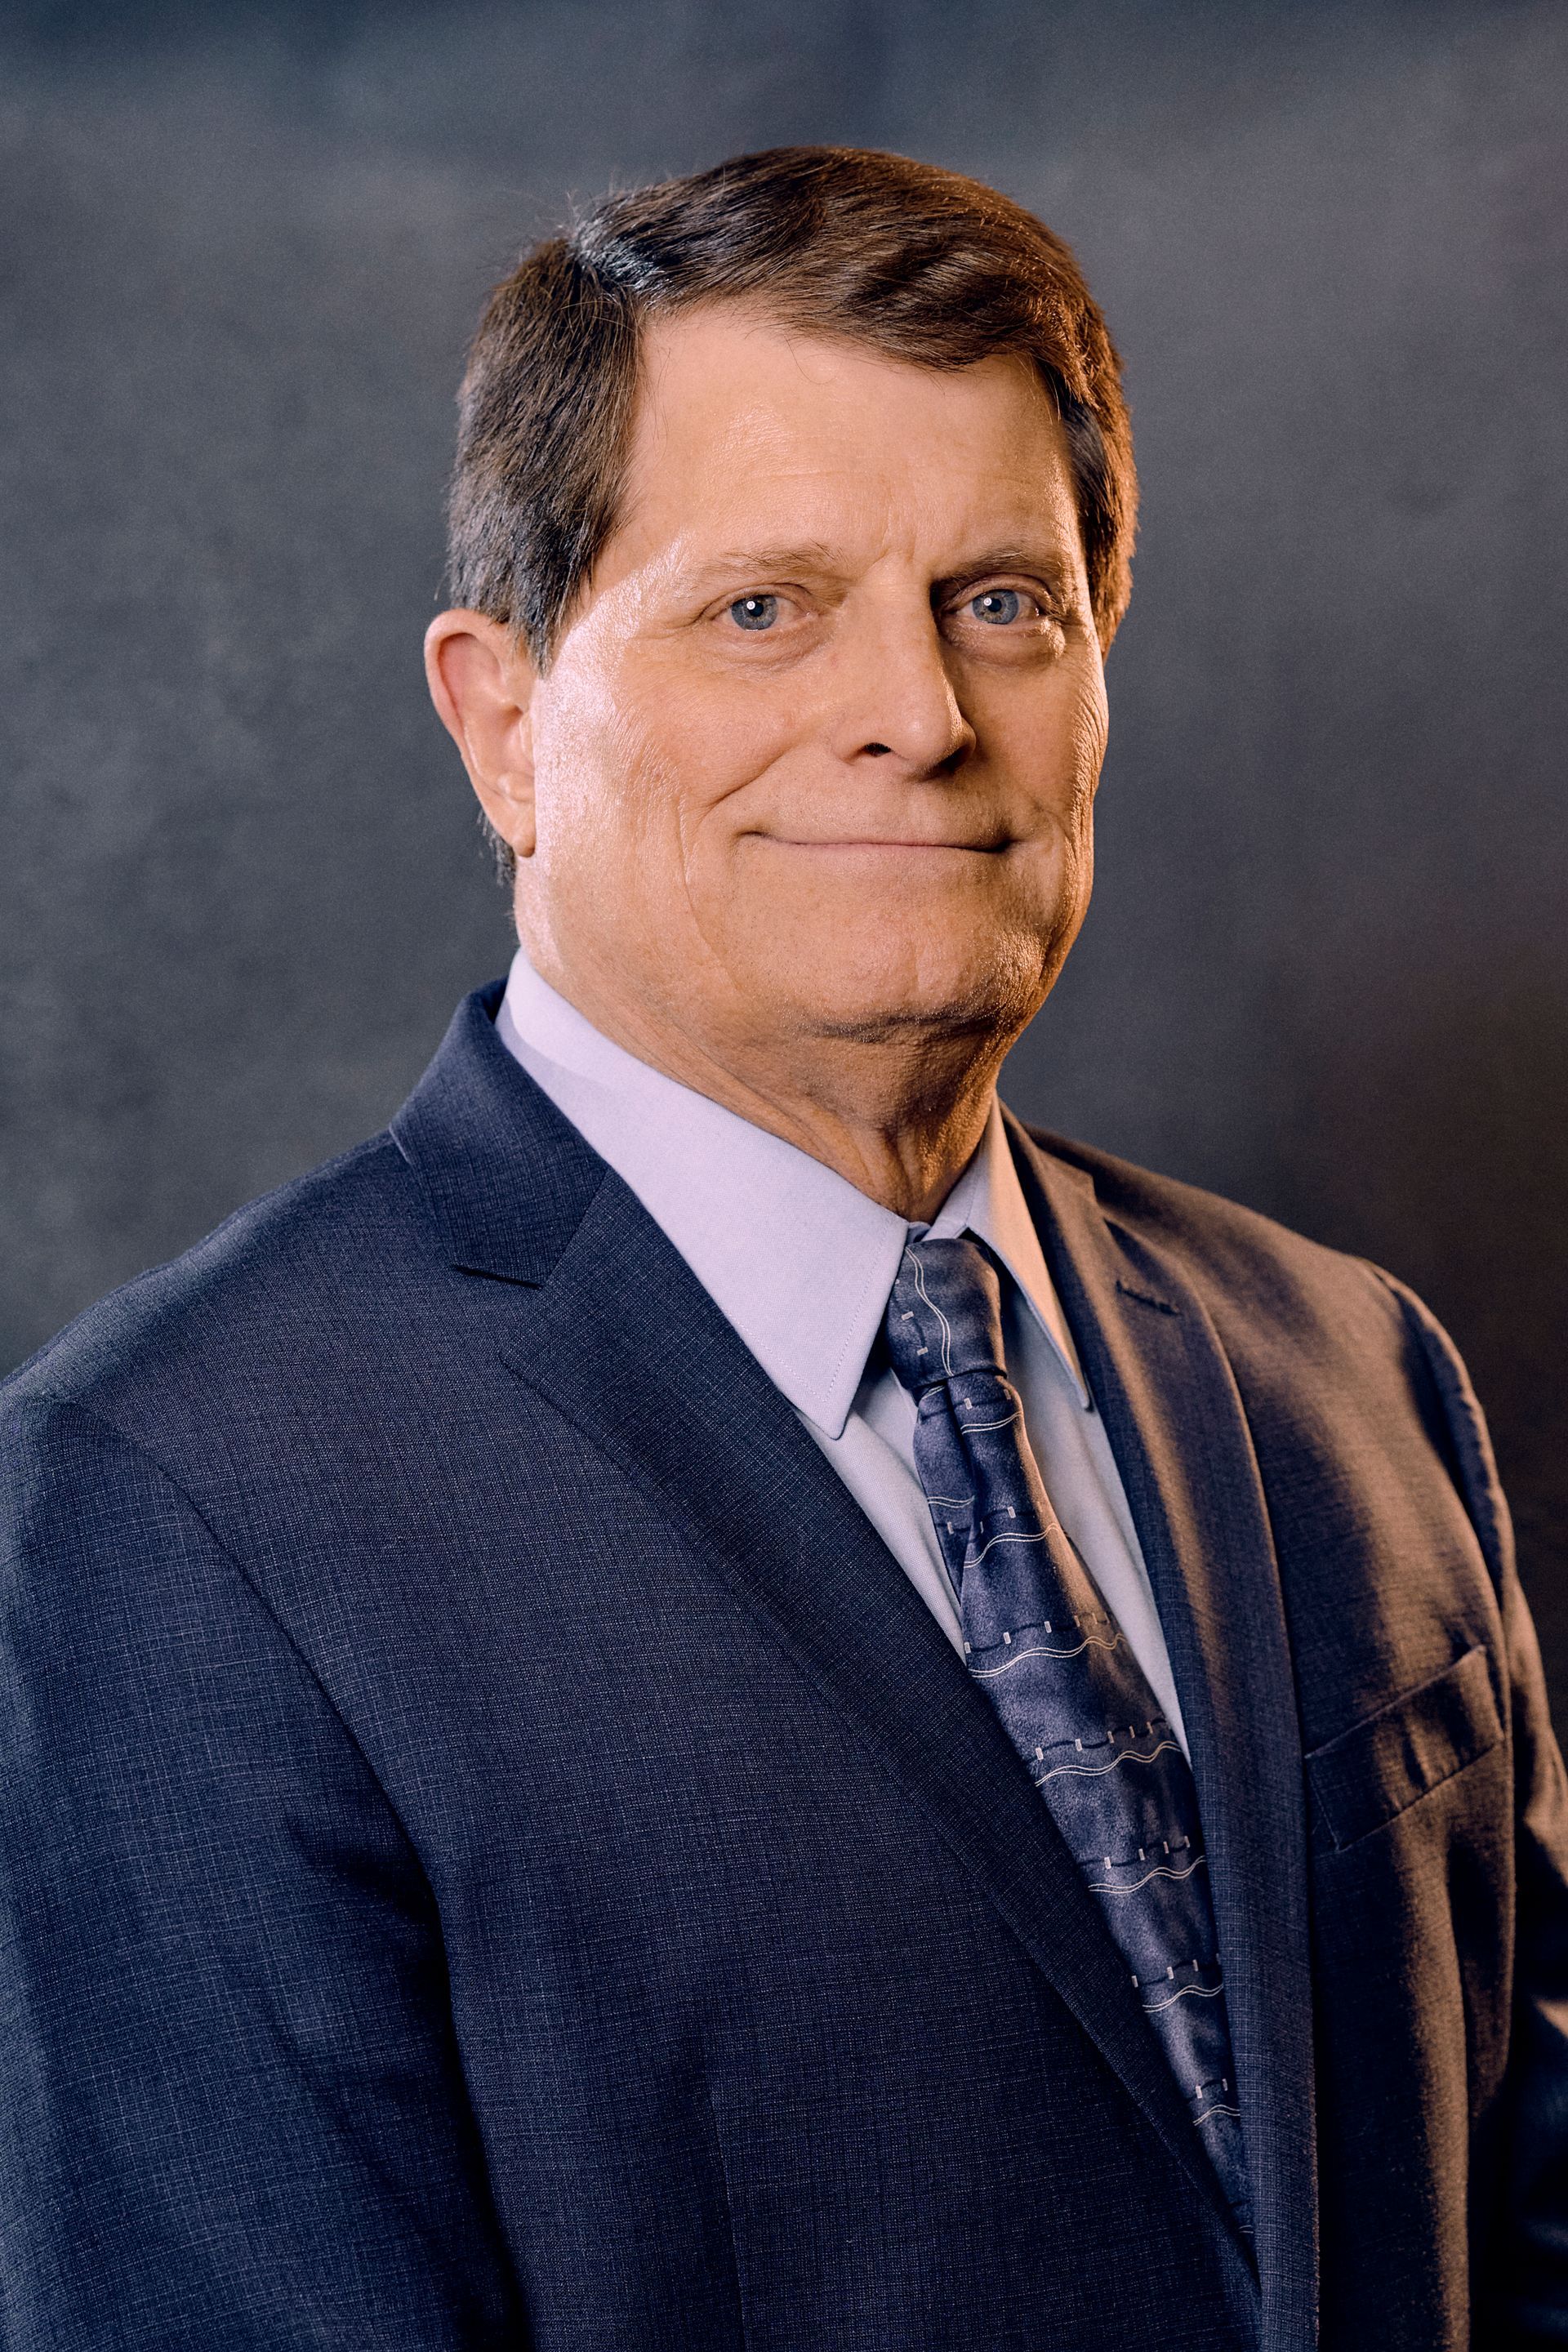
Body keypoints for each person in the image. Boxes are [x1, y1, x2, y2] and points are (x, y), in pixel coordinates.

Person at [2, 144, 1564, 2352]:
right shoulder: (176, 1511)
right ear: (506, 721)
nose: (918, 716)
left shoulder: (1348, 1374)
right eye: (767, 608)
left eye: (1002, 603)